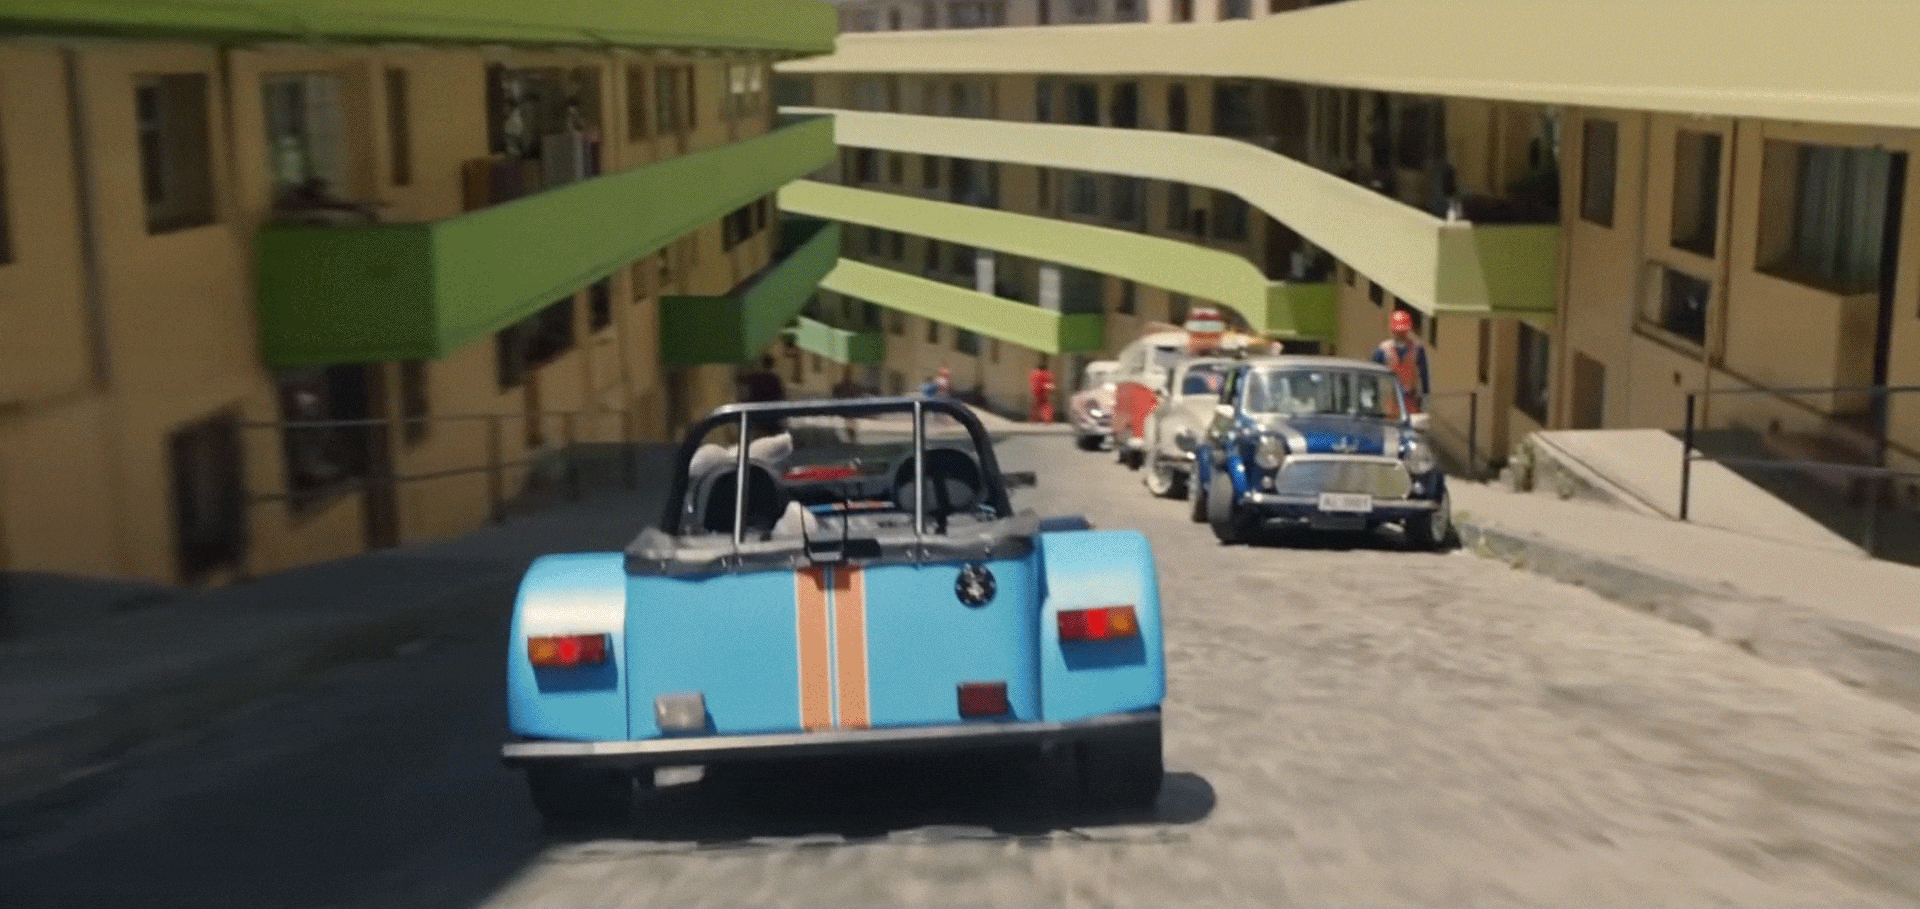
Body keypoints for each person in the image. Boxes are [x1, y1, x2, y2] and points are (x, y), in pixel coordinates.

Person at [1372, 309, 1431, 414]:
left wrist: (1425, 395)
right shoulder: (1384, 349)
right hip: (1390, 398)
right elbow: (1372, 373)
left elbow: (1424, 374)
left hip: (1410, 398)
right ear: (1392, 331)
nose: (1400, 335)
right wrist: (1373, 395)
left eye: (1403, 331)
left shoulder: (1417, 349)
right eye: (1397, 332)